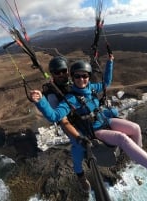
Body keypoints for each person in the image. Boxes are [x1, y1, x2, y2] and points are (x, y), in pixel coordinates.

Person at [31, 55, 147, 186]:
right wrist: (40, 101)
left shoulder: (90, 87)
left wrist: (110, 62)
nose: (82, 79)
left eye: (85, 76)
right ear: (72, 77)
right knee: (121, 138)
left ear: (88, 77)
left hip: (105, 120)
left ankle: (139, 158)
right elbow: (55, 116)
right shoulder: (69, 99)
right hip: (93, 130)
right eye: (78, 76)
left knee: (135, 128)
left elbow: (106, 82)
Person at [41, 56, 91, 193]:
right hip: (70, 124)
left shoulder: (73, 81)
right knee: (77, 147)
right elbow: (62, 119)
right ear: (52, 74)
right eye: (57, 72)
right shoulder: (52, 94)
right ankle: (81, 177)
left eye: (63, 71)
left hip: (83, 116)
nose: (61, 74)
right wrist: (77, 136)